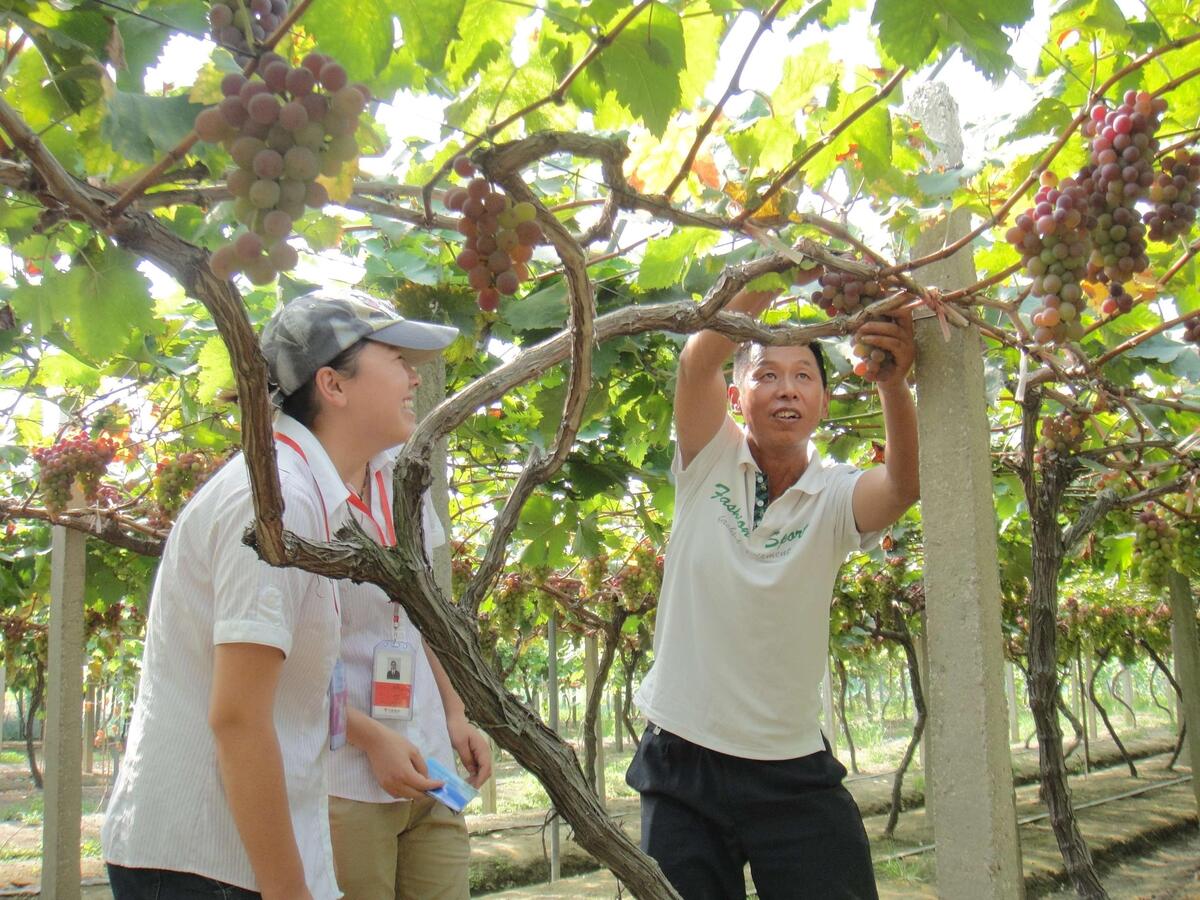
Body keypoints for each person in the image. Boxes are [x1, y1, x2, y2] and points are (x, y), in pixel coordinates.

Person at [102, 289, 479, 900]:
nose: (414, 377)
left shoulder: (307, 489)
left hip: (229, 860)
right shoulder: (282, 501)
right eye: (395, 358)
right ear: (333, 385)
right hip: (205, 864)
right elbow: (239, 717)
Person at [626, 286, 920, 899]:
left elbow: (900, 487)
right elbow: (696, 362)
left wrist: (892, 384)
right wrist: (778, 263)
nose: (787, 388)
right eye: (767, 374)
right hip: (684, 761)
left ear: (822, 398)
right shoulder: (709, 458)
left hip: (790, 767)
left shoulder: (835, 494)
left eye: (804, 376)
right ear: (737, 397)